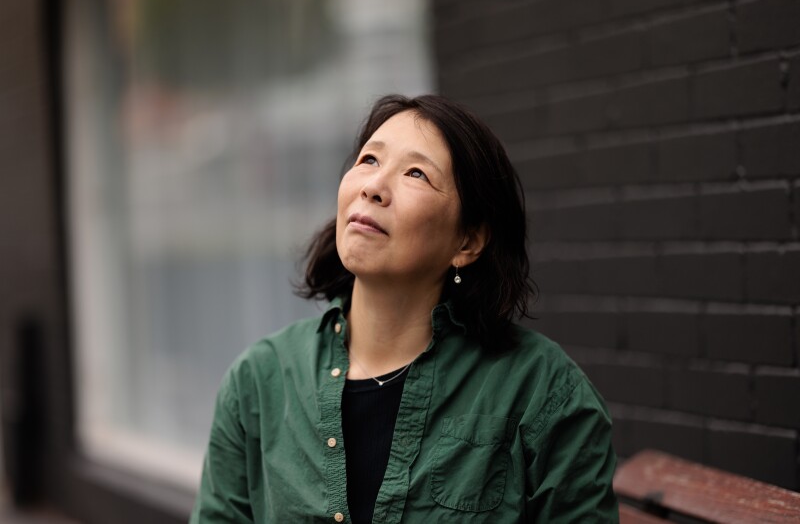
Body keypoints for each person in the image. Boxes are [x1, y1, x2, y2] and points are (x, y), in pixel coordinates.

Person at [190, 94, 618, 523]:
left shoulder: (541, 392)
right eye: (369, 160)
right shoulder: (260, 381)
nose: (373, 186)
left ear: (467, 242)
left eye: (416, 173)